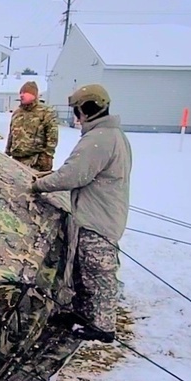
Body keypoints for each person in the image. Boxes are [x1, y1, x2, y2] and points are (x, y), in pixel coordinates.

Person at [31, 83, 132, 343]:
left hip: (98, 218)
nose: (77, 116)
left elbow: (74, 174)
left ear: (89, 109)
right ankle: (85, 316)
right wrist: (50, 175)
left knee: (98, 272)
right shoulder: (109, 135)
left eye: (78, 110)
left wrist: (39, 185)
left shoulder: (100, 139)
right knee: (83, 271)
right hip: (98, 213)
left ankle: (103, 326)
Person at [6, 81, 59, 172]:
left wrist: (47, 157)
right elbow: (11, 134)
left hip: (36, 162)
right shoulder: (17, 113)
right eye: (21, 93)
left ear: (34, 95)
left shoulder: (46, 112)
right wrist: (7, 152)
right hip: (17, 160)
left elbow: (52, 136)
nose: (21, 95)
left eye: (25, 93)